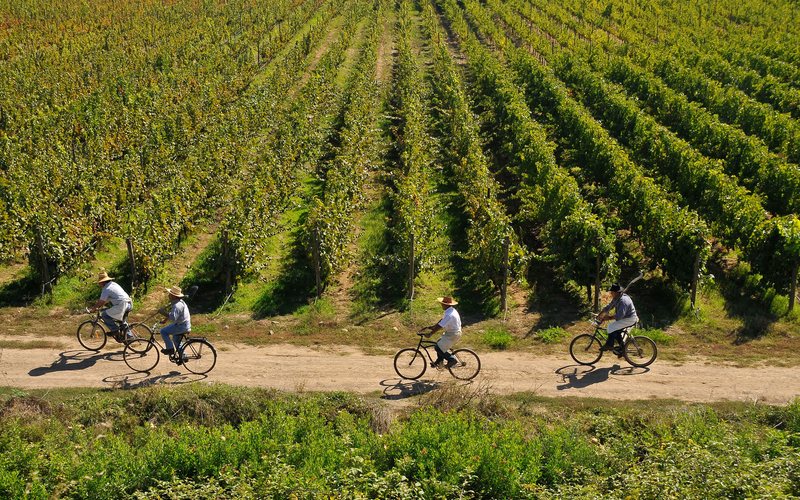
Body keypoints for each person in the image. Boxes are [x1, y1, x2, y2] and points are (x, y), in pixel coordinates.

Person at [597, 283, 639, 355]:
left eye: (612, 292)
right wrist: (599, 314)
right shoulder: (616, 298)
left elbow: (620, 316)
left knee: (611, 326)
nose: (610, 293)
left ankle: (609, 345)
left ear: (616, 292)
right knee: (616, 332)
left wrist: (608, 318)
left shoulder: (623, 301)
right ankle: (622, 349)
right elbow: (609, 307)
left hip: (629, 319)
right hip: (626, 318)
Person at [421, 296, 462, 369]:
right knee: (439, 343)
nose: (441, 305)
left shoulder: (449, 314)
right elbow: (442, 321)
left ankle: (452, 360)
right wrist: (433, 327)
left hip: (452, 334)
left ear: (446, 305)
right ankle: (439, 362)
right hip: (453, 333)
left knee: (438, 347)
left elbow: (440, 326)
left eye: (442, 304)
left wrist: (430, 334)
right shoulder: (451, 310)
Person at [90, 271, 133, 339]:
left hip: (122, 305)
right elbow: (105, 301)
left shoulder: (106, 289)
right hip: (129, 303)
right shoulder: (113, 284)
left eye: (99, 282)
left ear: (103, 282)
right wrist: (99, 306)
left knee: (104, 315)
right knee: (122, 321)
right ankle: (129, 337)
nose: (99, 284)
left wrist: (93, 308)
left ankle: (115, 330)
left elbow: (101, 301)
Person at [158, 286, 192, 357]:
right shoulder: (178, 302)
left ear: (173, 296)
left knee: (163, 331)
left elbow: (173, 318)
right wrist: (165, 320)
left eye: (170, 294)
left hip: (182, 326)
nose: (168, 295)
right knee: (176, 339)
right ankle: (183, 356)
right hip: (184, 324)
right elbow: (173, 314)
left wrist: (162, 312)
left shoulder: (177, 305)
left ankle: (170, 349)